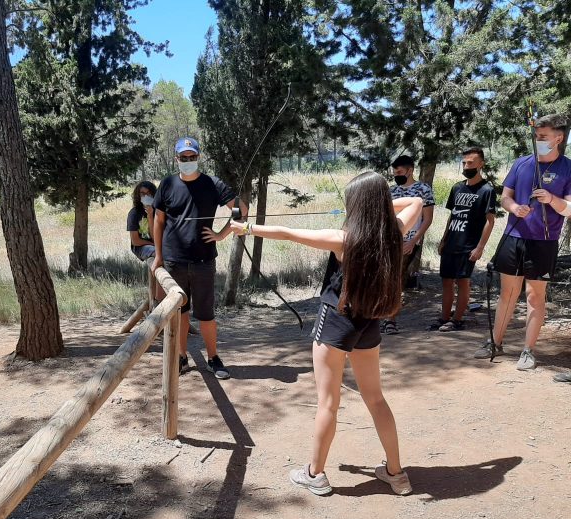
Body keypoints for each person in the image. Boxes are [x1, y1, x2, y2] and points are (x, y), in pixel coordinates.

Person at [205, 172, 423, 496]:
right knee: (375, 398)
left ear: (359, 205)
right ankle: (396, 474)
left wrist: (246, 228)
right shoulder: (395, 232)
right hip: (368, 322)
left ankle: (315, 474)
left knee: (328, 403)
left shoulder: (344, 239)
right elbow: (416, 201)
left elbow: (288, 233)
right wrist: (377, 208)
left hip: (336, 321)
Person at [473, 114, 571, 370]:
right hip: (514, 236)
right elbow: (505, 197)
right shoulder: (521, 163)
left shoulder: (568, 168)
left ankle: (528, 351)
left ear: (558, 138)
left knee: (535, 296)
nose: (538, 141)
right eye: (536, 136)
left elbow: (569, 209)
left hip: (544, 241)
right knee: (507, 293)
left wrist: (551, 199)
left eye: (543, 137)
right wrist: (515, 208)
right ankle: (495, 342)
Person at [152, 137, 241, 379]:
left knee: (206, 314)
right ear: (176, 159)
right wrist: (158, 256)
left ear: (198, 157)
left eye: (192, 157)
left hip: (204, 261)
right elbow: (158, 220)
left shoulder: (213, 184)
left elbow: (240, 209)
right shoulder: (167, 184)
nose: (188, 161)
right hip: (174, 261)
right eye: (184, 157)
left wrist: (221, 234)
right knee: (179, 312)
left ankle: (213, 358)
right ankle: (181, 356)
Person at [430, 147, 497, 332]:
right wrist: (444, 239)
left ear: (481, 164)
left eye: (471, 163)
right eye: (464, 163)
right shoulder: (457, 187)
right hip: (451, 242)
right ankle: (444, 318)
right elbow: (452, 215)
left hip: (468, 246)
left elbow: (490, 221)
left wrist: (480, 247)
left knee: (463, 282)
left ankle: (457, 320)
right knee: (446, 281)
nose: (467, 166)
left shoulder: (487, 190)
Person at [381, 155, 435, 334]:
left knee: (396, 278)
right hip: (389, 241)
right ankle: (383, 316)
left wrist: (413, 241)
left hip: (409, 241)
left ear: (410, 170)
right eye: (395, 173)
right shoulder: (391, 191)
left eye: (399, 172)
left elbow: (427, 219)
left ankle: (391, 320)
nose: (396, 175)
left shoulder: (423, 189)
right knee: (386, 279)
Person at [127, 181, 157, 261]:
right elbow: (135, 241)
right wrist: (153, 244)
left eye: (149, 193)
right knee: (157, 253)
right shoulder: (134, 213)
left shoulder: (158, 212)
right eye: (142, 193)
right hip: (140, 247)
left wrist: (150, 216)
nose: (146, 196)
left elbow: (155, 237)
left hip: (156, 244)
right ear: (138, 196)